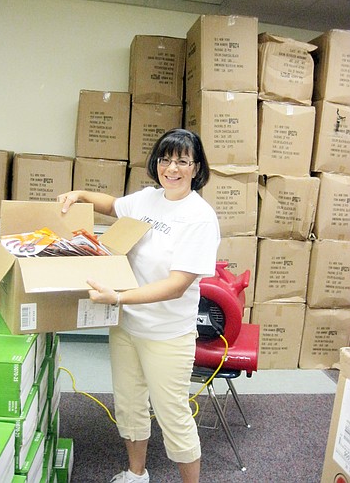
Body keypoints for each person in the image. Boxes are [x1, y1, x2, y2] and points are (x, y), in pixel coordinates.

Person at [58, 128, 220, 483]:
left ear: (196, 167)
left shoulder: (200, 217)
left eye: (182, 161)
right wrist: (79, 194)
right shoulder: (148, 199)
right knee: (130, 405)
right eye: (165, 159)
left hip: (167, 334)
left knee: (172, 414)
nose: (172, 168)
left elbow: (177, 286)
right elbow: (112, 205)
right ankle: (136, 473)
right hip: (127, 326)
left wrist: (118, 297)